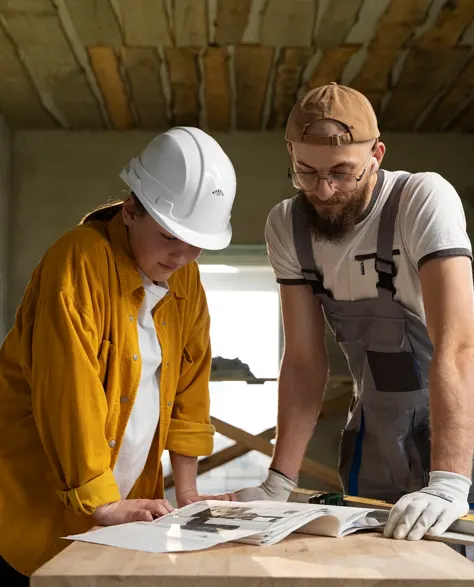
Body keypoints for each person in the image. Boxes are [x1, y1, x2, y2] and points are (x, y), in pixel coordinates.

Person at [233, 83, 474, 543]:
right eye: (306, 172)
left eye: (342, 172)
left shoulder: (420, 199)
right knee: (371, 560)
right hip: (376, 430)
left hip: (461, 425)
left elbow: (459, 346)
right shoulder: (287, 225)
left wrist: (448, 484)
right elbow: (304, 363)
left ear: (376, 155)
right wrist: (276, 484)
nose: (324, 191)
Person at [0, 126, 237, 583]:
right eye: (170, 236)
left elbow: (191, 387)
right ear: (130, 210)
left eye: (196, 242)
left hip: (117, 506)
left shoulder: (187, 281)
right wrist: (101, 501)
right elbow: (68, 391)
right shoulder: (77, 262)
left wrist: (186, 489)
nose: (183, 254)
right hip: (30, 498)